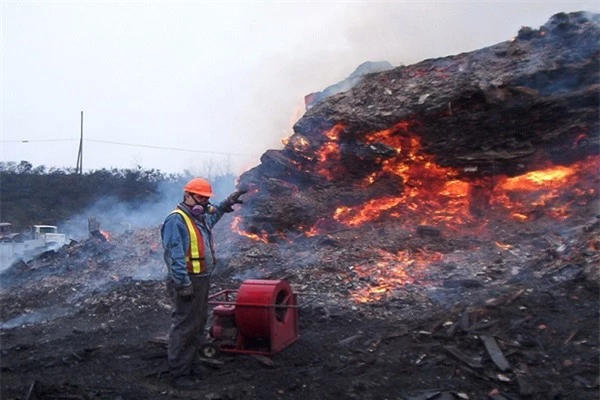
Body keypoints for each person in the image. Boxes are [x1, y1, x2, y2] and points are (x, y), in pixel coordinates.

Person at [161, 177, 245, 389]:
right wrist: (183, 283)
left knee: (198, 325)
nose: (204, 203)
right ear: (186, 195)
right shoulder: (176, 220)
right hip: (188, 281)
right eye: (199, 197)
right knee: (184, 326)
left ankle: (193, 363)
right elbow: (174, 255)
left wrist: (227, 203)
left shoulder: (199, 219)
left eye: (206, 199)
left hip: (201, 279)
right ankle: (179, 373)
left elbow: (214, 215)